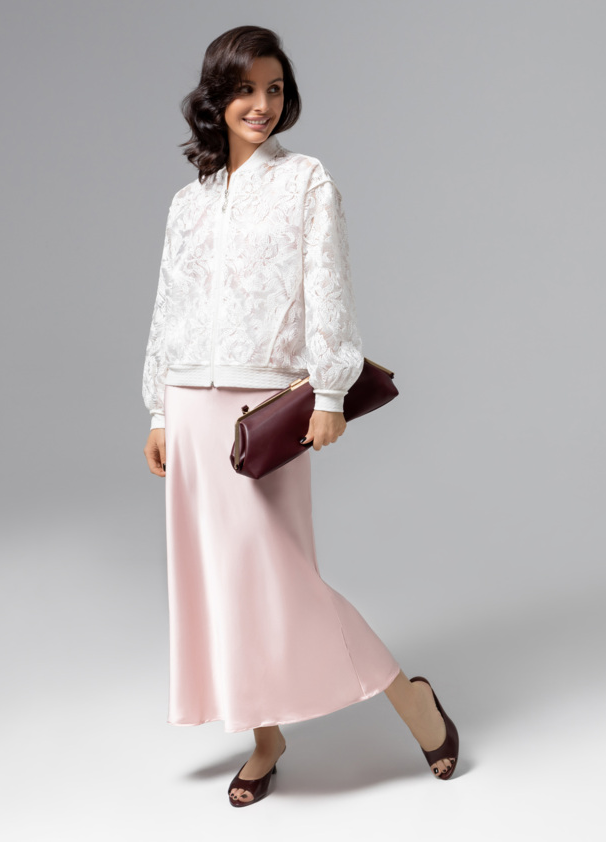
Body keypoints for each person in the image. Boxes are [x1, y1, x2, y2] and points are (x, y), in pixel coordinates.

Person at [142, 25, 459, 807]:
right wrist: (157, 407)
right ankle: (265, 736)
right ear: (216, 99)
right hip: (189, 406)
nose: (261, 104)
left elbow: (329, 290)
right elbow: (169, 308)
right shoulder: (188, 203)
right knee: (220, 584)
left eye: (275, 89)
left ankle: (414, 701)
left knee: (284, 579)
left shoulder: (306, 181)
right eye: (246, 89)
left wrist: (329, 391)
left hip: (264, 410)